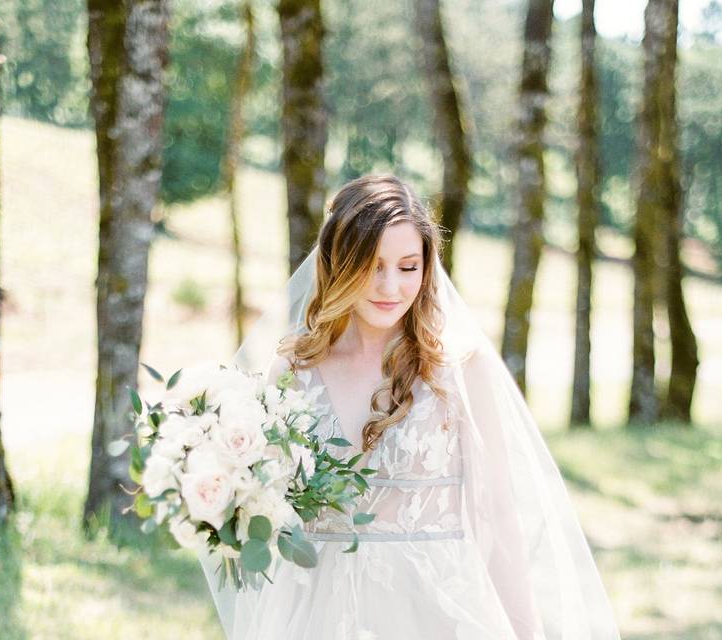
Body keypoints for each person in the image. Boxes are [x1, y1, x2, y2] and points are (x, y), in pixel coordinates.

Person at [199, 174, 621, 639]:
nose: (391, 286)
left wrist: (527, 633)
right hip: (318, 608)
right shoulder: (295, 369)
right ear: (339, 262)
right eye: (372, 265)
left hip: (432, 608)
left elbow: (499, 515)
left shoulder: (459, 370)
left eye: (407, 266)